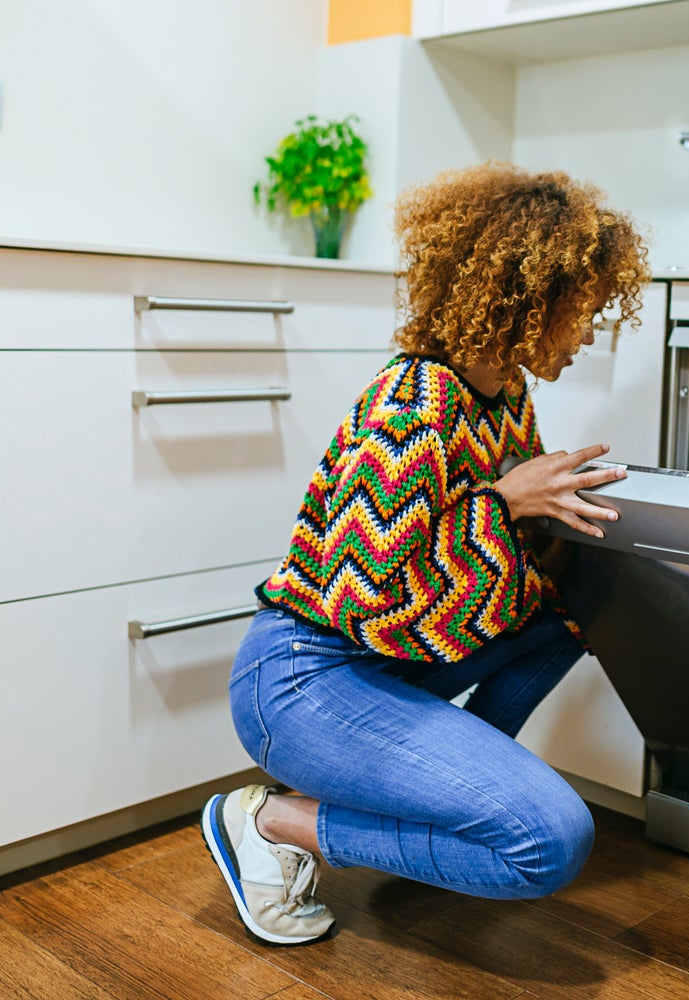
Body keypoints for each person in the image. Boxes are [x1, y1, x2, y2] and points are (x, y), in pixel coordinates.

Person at [202, 162, 651, 945]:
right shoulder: (412, 402)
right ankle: (274, 822)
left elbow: (495, 561)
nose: (588, 334)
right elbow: (364, 587)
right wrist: (507, 503)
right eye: (582, 311)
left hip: (381, 664)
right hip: (304, 678)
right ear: (526, 297)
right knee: (548, 842)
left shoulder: (506, 392)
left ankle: (439, 799)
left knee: (569, 615)